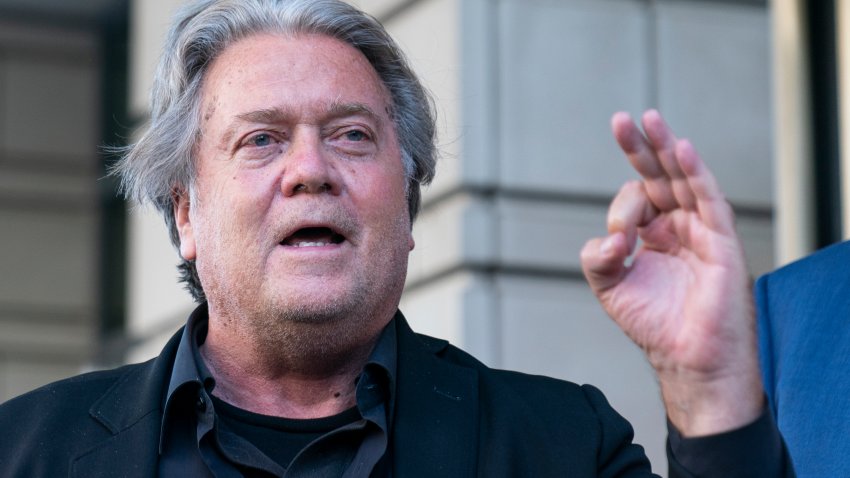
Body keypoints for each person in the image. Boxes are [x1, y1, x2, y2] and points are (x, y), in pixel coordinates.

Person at [0, 0, 791, 476]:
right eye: (262, 140)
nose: (310, 170)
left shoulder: (562, 447)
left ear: (407, 208)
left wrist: (710, 387)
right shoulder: (24, 451)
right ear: (185, 215)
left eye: (350, 136)